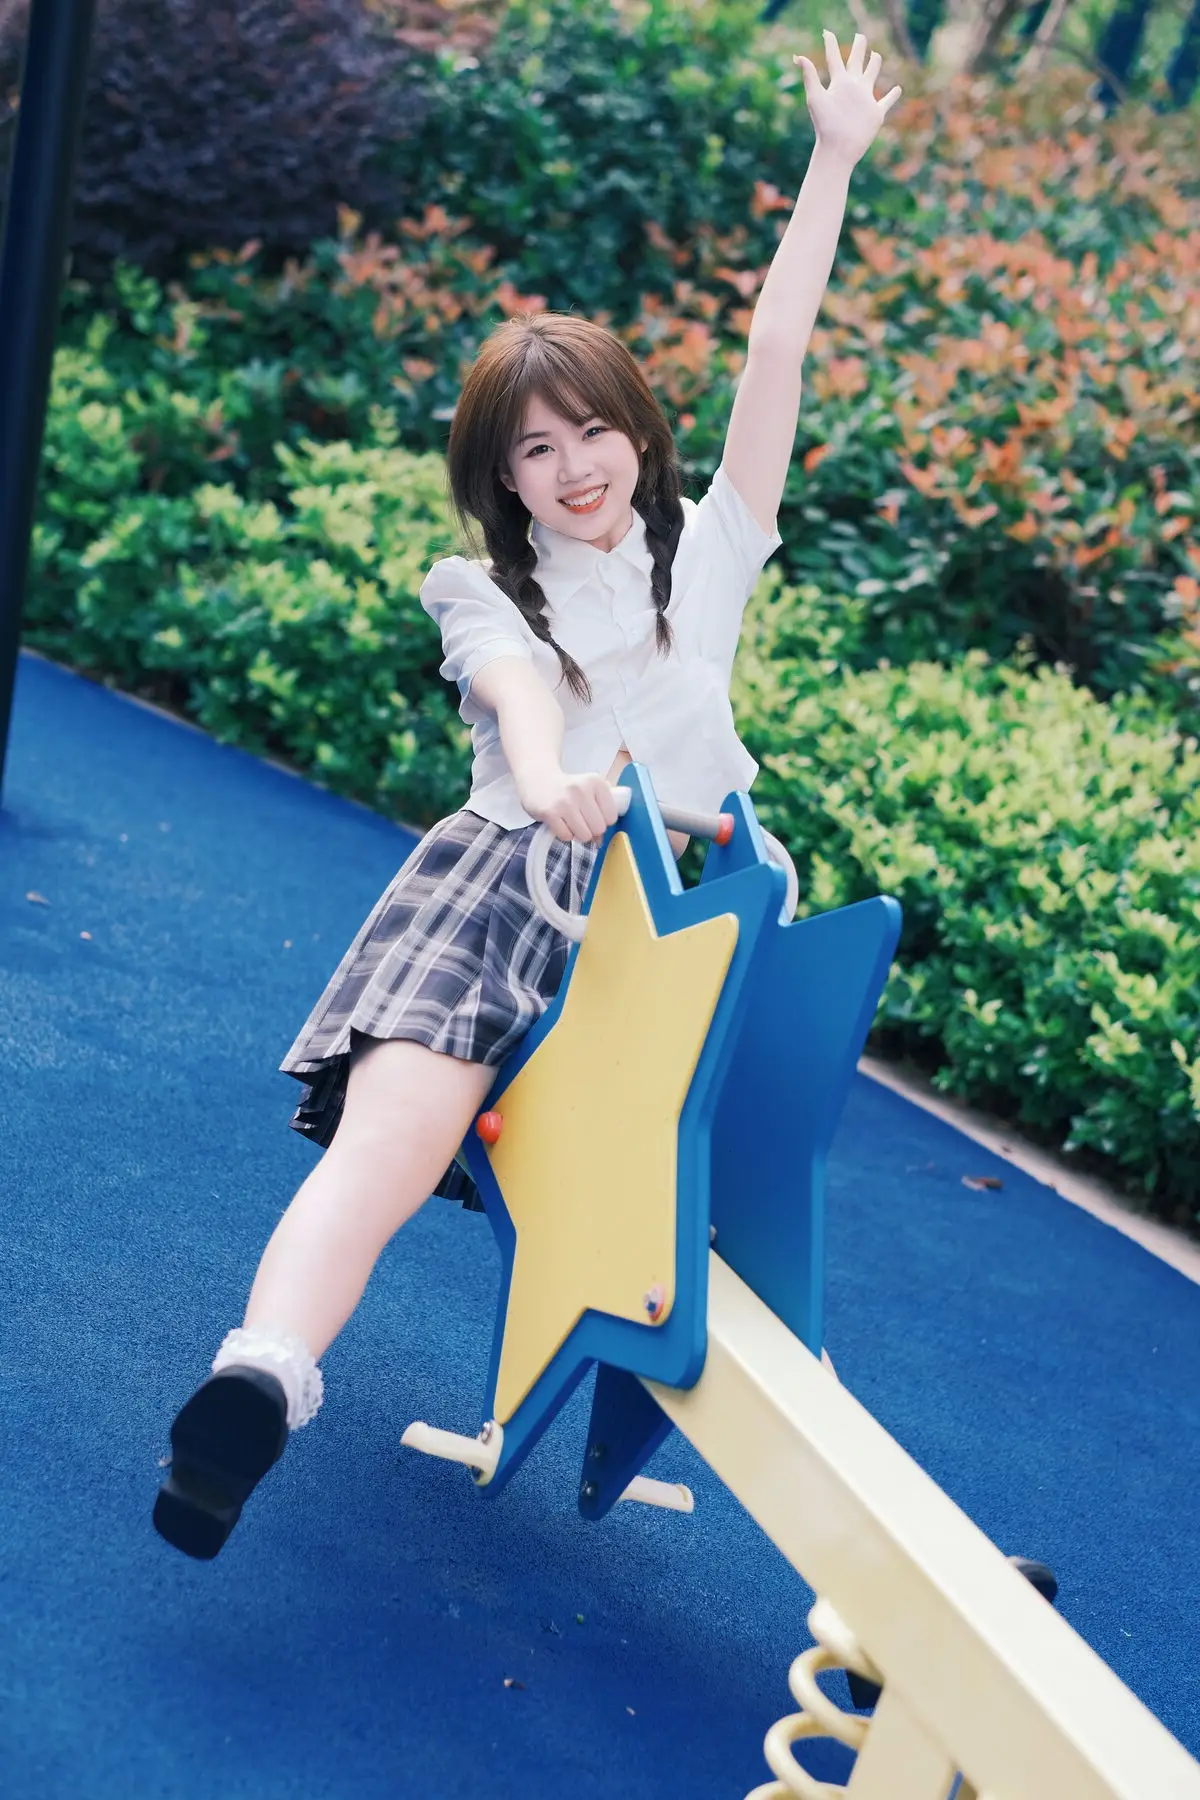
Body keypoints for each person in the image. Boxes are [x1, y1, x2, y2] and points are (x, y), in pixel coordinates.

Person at [153, 32, 902, 1560]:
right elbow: (511, 692)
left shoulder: (711, 556)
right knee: (391, 1143)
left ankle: (873, 1542)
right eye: (534, 450)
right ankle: (258, 1382)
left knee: (730, 1224)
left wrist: (831, 159)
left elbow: (776, 356)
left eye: (593, 432)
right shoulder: (484, 590)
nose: (572, 468)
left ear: (640, 432)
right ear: (503, 478)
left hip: (683, 924)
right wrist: (557, 778)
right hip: (515, 878)